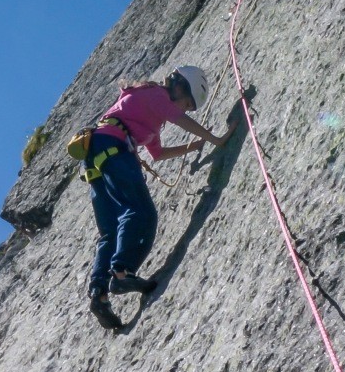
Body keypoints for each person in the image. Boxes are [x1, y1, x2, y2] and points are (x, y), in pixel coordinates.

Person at [82, 66, 235, 331]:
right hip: (113, 149)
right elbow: (179, 118)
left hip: (96, 155)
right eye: (188, 104)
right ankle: (121, 272)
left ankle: (99, 294)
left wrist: (193, 147)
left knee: (110, 231)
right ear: (180, 86)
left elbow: (158, 154)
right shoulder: (156, 94)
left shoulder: (150, 110)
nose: (186, 109)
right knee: (140, 212)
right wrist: (216, 139)